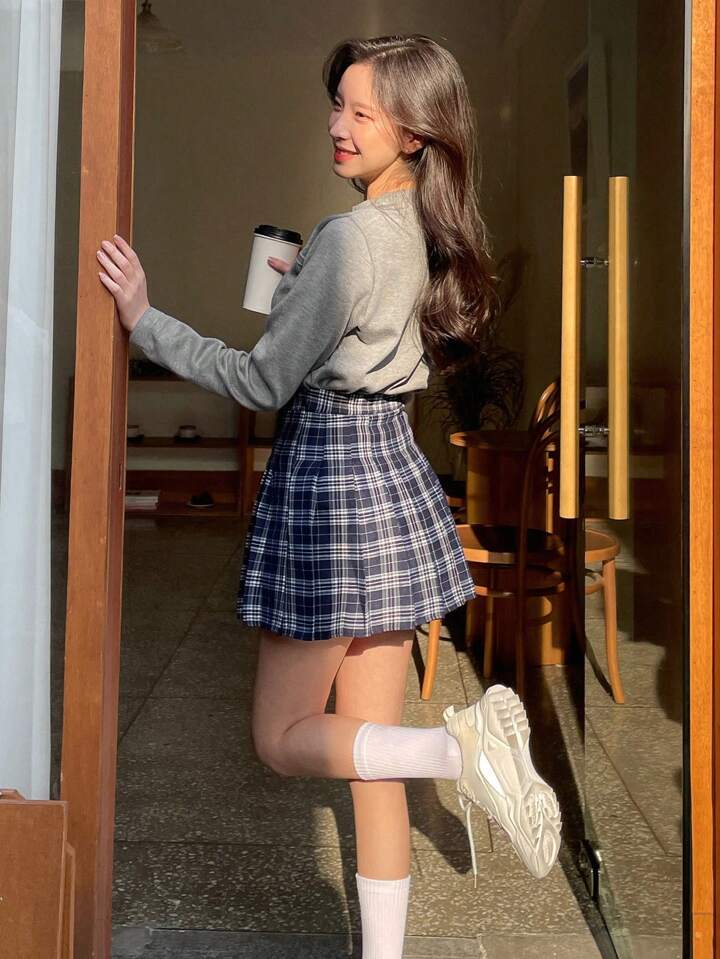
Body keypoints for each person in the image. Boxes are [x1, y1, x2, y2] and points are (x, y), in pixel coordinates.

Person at [97, 34, 561, 959]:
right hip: (391, 473)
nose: (337, 124)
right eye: (337, 104)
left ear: (415, 133)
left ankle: (458, 752)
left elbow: (263, 381)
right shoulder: (421, 230)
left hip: (331, 484)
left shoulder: (350, 239)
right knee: (367, 753)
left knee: (281, 736)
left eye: (361, 111)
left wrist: (147, 320)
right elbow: (363, 326)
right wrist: (306, 286)